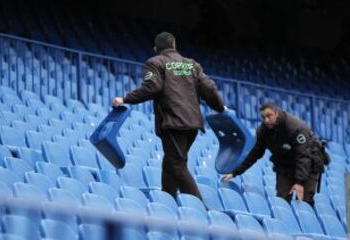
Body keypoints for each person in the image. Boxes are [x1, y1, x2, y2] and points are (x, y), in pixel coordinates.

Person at [112, 32, 225, 200]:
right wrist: (220, 107)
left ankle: (201, 208)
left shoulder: (155, 62)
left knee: (177, 165)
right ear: (174, 45)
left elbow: (152, 87)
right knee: (171, 162)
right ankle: (168, 199)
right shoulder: (192, 64)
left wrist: (126, 98)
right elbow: (209, 89)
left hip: (174, 122)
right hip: (193, 124)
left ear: (156, 48)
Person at [222, 102, 327, 206]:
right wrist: (235, 172)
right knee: (281, 201)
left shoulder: (295, 128)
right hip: (285, 163)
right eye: (263, 117)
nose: (266, 120)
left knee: (304, 203)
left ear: (276, 113)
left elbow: (304, 156)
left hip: (309, 163)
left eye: (269, 116)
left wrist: (300, 182)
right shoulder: (263, 131)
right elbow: (254, 154)